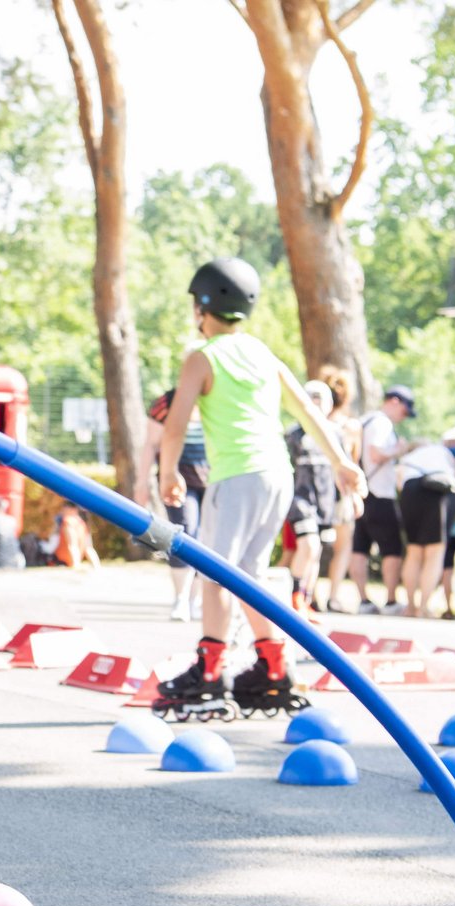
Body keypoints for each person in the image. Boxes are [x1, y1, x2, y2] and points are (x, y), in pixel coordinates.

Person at [155, 257, 365, 719]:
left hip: (237, 475)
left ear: (201, 307)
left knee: (214, 574)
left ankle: (209, 672)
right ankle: (273, 665)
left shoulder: (202, 356)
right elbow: (310, 414)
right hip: (277, 476)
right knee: (250, 574)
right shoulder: (263, 355)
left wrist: (167, 473)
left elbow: (174, 425)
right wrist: (342, 462)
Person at [135, 382, 210, 621]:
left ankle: (196, 600)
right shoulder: (167, 402)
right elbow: (151, 444)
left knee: (207, 539)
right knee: (184, 532)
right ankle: (181, 598)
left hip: (214, 478)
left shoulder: (216, 400)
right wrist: (142, 482)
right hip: (177, 478)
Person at [349, 386, 415, 615]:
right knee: (392, 549)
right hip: (379, 493)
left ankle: (364, 600)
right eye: (405, 411)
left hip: (363, 492)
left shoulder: (365, 420)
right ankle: (390, 600)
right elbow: (376, 453)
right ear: (395, 402)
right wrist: (398, 450)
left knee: (360, 547)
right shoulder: (381, 423)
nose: (403, 418)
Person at [283, 379, 339, 620]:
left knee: (316, 554)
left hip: (324, 502)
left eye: (321, 401)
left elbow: (342, 468)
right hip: (300, 500)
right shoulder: (293, 436)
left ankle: (306, 598)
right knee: (309, 545)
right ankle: (294, 595)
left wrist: (349, 497)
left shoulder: (334, 434)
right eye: (311, 400)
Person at [394, 436, 455, 617]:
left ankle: (410, 606)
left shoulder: (407, 459)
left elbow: (399, 484)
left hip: (410, 491)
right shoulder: (441, 451)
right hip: (437, 490)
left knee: (414, 551)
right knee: (434, 553)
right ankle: (423, 606)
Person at [316, 366, 361, 613]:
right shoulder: (350, 426)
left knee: (312, 545)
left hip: (318, 489)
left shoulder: (316, 423)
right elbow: (353, 464)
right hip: (340, 491)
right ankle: (333, 596)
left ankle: (308, 595)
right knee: (342, 546)